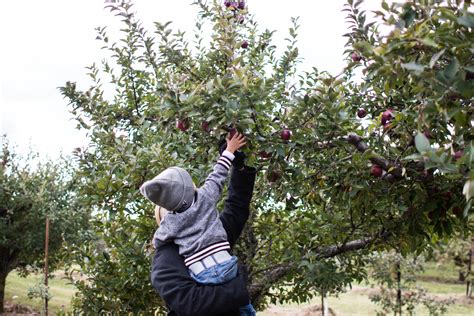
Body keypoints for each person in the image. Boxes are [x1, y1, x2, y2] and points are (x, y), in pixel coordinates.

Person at [141, 132, 257, 316]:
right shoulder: (164, 260)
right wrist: (237, 288)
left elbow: (237, 207)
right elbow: (190, 304)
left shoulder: (210, 230)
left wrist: (241, 167)